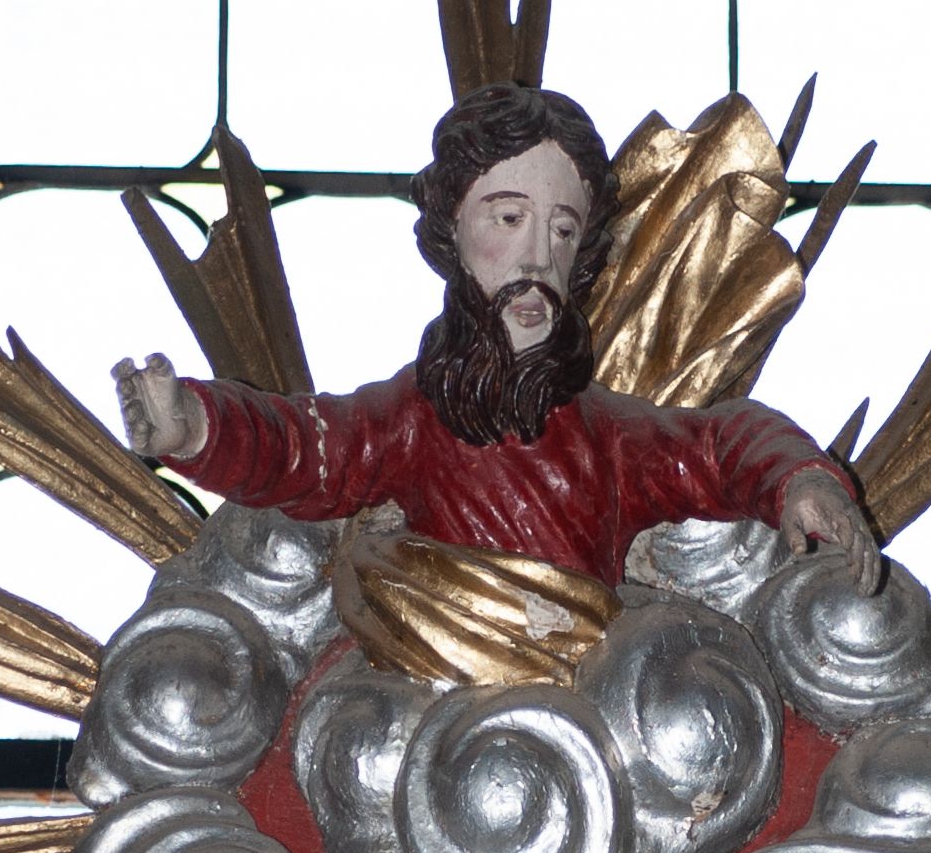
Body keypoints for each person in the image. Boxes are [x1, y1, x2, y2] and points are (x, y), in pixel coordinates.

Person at [116, 86, 877, 593]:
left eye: (563, 230)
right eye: (509, 219)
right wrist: (195, 426)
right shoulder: (407, 422)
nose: (537, 256)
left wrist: (801, 481)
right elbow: (302, 447)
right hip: (432, 695)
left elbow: (717, 445)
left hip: (585, 697)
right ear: (452, 230)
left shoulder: (611, 438)